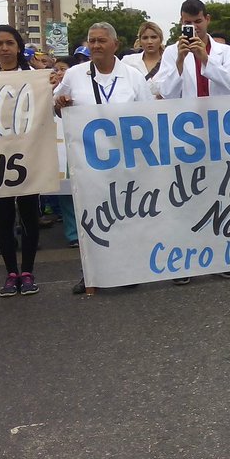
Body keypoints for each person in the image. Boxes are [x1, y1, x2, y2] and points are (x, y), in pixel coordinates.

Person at [55, 22, 153, 294]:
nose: (95, 45)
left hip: (125, 160)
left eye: (101, 40)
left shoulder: (132, 76)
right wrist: (60, 104)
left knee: (126, 216)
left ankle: (128, 269)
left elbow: (149, 115)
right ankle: (92, 273)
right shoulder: (75, 75)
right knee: (92, 218)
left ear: (115, 44)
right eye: (91, 40)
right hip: (89, 161)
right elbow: (56, 104)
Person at [0, 25, 42, 297]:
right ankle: (10, 272)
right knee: (3, 216)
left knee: (28, 216)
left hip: (28, 154)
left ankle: (27, 271)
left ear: (18, 47)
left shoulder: (34, 76)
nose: (4, 48)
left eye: (10, 43)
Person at [154, 0, 230, 99]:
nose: (194, 27)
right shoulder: (172, 52)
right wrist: (179, 63)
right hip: (187, 113)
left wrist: (206, 59)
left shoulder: (226, 51)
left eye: (198, 21)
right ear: (181, 22)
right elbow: (165, 93)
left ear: (207, 19)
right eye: (188, 23)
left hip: (219, 112)